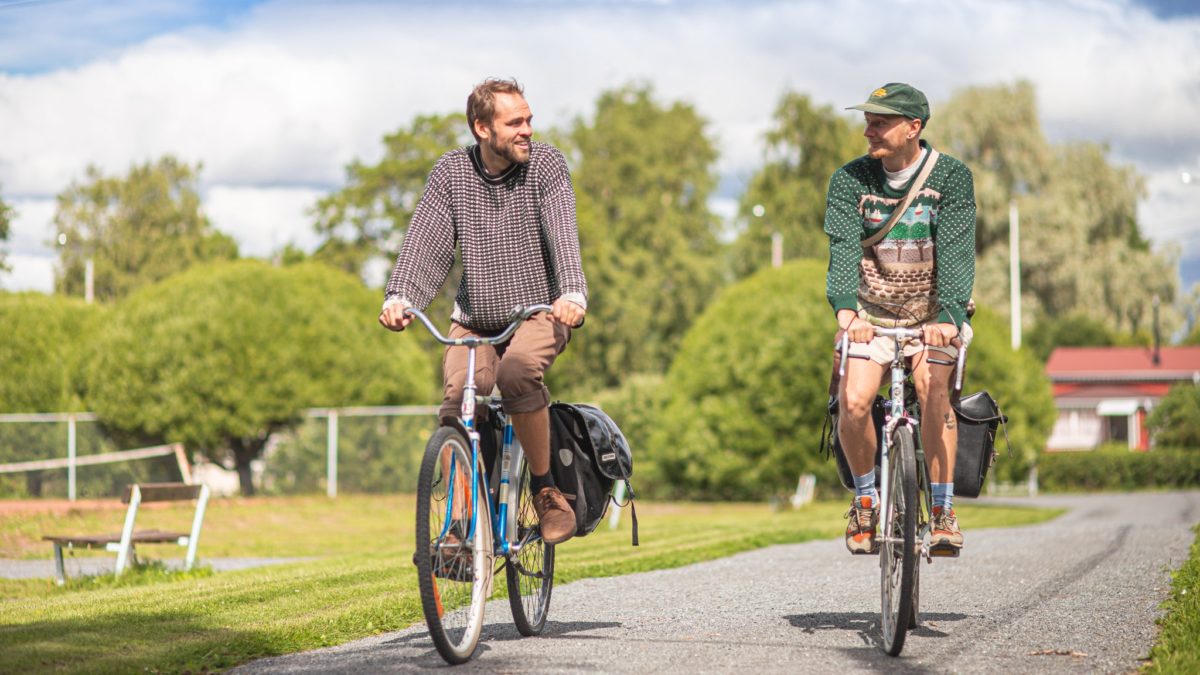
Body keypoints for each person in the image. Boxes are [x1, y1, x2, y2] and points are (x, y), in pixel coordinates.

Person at [379, 78, 587, 546]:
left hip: (539, 311)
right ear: (482, 128)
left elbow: (563, 234)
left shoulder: (546, 166)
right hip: (475, 319)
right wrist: (400, 297)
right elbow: (426, 244)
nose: (527, 130)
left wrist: (572, 292)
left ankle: (546, 489)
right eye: (515, 122)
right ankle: (461, 524)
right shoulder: (451, 173)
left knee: (516, 376)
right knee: (460, 397)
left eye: (529, 119)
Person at [824, 83, 976, 555]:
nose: (869, 129)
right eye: (868, 119)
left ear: (914, 127)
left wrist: (948, 316)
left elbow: (954, 250)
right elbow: (843, 249)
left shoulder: (950, 177)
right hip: (871, 313)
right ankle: (866, 501)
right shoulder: (850, 180)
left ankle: (943, 510)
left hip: (932, 315)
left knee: (934, 393)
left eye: (881, 121)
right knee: (853, 402)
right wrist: (847, 313)